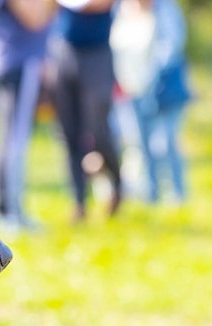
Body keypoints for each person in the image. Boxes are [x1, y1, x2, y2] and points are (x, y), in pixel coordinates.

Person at [0, 0, 57, 232]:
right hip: (19, 60)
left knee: (7, 138)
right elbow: (34, 17)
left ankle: (6, 209)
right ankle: (12, 212)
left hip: (4, 59)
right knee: (15, 141)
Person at [47, 0, 122, 221]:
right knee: (69, 133)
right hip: (63, 49)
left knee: (99, 131)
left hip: (97, 52)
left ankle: (117, 186)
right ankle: (79, 202)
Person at [111, 0, 190, 204]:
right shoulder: (119, 8)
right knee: (141, 144)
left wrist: (151, 78)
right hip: (130, 89)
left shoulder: (164, 7)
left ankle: (177, 195)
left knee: (165, 143)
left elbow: (171, 45)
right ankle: (151, 194)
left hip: (162, 88)